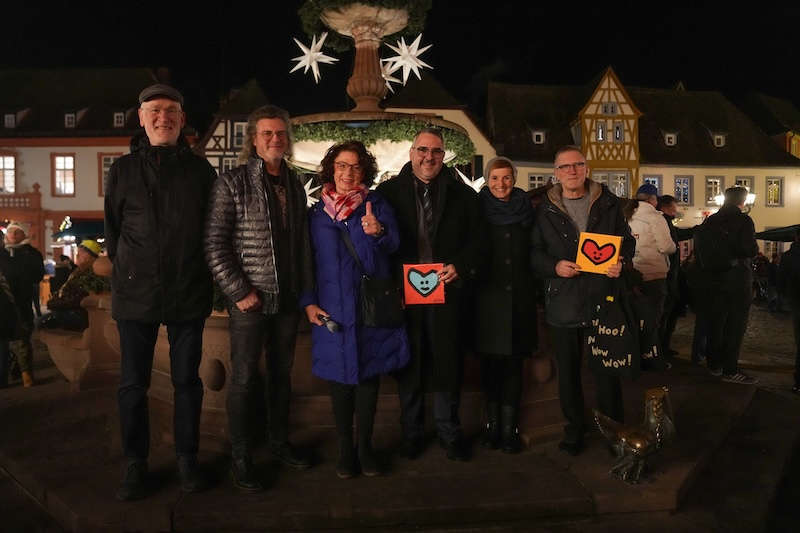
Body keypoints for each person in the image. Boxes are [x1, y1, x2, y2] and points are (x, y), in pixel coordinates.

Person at [105, 84, 217, 500]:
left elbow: (211, 232)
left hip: (188, 292)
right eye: (154, 110)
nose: (163, 116)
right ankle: (136, 463)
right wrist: (132, 273)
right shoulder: (122, 171)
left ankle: (187, 458)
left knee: (187, 382)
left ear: (182, 119)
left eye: (171, 110)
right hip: (136, 295)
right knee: (133, 384)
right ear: (141, 118)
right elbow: (113, 234)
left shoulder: (202, 172)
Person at [205, 105, 314, 492]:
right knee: (245, 378)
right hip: (250, 300)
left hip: (286, 299)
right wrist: (239, 291)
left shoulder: (296, 182)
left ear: (287, 139)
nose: (274, 139)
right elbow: (215, 245)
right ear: (253, 139)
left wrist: (305, 292)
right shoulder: (232, 182)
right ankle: (240, 455)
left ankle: (279, 442)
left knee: (282, 377)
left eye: (280, 134)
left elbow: (301, 243)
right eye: (266, 134)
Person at [300, 141, 410, 478]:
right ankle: (345, 450)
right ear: (331, 170)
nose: (348, 173)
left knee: (368, 377)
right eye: (342, 166)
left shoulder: (376, 205)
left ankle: (366, 447)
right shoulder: (316, 214)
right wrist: (307, 301)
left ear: (365, 172)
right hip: (332, 309)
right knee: (339, 380)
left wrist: (380, 232)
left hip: (369, 306)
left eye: (355, 167)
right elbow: (307, 262)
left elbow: (395, 245)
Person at [376, 127, 485, 462]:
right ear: (412, 153)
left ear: (443, 156)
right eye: (423, 150)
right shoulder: (388, 193)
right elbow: (380, 245)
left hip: (447, 294)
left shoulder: (464, 195)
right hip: (405, 295)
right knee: (410, 364)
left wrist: (462, 267)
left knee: (447, 364)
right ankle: (412, 433)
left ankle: (449, 431)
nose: (429, 157)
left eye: (436, 152)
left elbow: (479, 242)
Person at [531, 145, 635, 456]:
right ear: (556, 174)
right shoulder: (544, 210)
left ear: (586, 168)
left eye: (577, 165)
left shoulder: (608, 203)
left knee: (606, 370)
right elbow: (533, 253)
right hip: (563, 300)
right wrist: (554, 267)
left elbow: (626, 242)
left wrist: (621, 262)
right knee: (568, 373)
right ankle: (574, 429)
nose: (572, 171)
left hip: (601, 297)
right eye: (565, 167)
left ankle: (614, 431)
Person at [474, 157, 536, 454]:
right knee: (490, 368)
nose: (501, 184)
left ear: (514, 178)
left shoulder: (527, 208)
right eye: (495, 178)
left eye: (507, 178)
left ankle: (509, 428)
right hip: (487, 299)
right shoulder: (477, 209)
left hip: (520, 299)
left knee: (513, 367)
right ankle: (492, 425)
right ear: (487, 180)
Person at [695, 186, 759, 384]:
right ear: (743, 200)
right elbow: (749, 249)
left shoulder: (711, 220)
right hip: (737, 280)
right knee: (735, 326)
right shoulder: (743, 220)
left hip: (713, 279)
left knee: (716, 323)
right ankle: (730, 370)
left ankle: (714, 365)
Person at [625, 184, 676, 359]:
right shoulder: (655, 217)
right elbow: (666, 246)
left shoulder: (627, 214)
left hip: (631, 275)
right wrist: (674, 247)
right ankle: (650, 357)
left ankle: (633, 355)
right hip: (653, 274)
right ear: (652, 200)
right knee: (653, 320)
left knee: (635, 317)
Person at [3, 221, 44, 387]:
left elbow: (37, 275)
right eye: (11, 232)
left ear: (24, 235)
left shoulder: (32, 253)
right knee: (5, 340)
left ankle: (26, 372)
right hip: (3, 302)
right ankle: (12, 369)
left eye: (17, 232)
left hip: (22, 301)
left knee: (22, 337)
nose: (13, 235)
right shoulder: (2, 253)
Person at [656, 195, 694, 357]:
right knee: (665, 316)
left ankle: (663, 347)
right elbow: (671, 243)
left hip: (669, 275)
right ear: (665, 207)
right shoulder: (662, 221)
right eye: (674, 206)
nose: (676, 209)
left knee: (667, 315)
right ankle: (660, 349)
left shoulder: (665, 221)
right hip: (667, 276)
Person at [38, 240, 102, 331]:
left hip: (78, 313)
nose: (77, 255)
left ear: (91, 256)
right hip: (70, 310)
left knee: (41, 323)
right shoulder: (78, 271)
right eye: (77, 252)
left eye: (81, 253)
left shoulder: (91, 273)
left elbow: (78, 297)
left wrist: (55, 303)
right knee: (41, 322)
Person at [777, 230, 800, 393]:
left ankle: (798, 382)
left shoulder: (788, 257)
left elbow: (781, 281)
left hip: (796, 300)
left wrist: (786, 296)